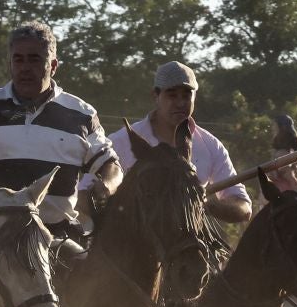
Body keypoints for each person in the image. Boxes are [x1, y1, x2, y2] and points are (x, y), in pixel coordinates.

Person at [0, 21, 119, 243]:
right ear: (10, 64)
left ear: (53, 65)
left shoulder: (81, 115)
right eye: (18, 59)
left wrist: (107, 186)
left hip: (57, 239)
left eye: (34, 59)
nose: (25, 67)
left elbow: (111, 166)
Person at [106, 61, 251, 224]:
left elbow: (243, 207)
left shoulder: (211, 147)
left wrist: (204, 204)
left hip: (191, 237)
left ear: (194, 97)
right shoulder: (119, 142)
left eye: (186, 96)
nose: (181, 103)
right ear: (155, 96)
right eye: (172, 95)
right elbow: (89, 195)